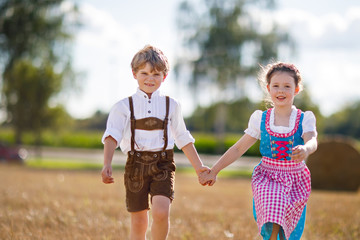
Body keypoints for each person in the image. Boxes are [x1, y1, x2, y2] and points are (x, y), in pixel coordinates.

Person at [101, 45, 209, 240]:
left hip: (163, 164)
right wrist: (106, 163)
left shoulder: (172, 105)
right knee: (139, 221)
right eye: (144, 73)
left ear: (164, 77)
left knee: (161, 212)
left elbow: (183, 137)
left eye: (156, 74)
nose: (150, 79)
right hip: (135, 166)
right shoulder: (123, 106)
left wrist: (199, 167)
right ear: (134, 73)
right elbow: (112, 136)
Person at [200, 62, 318, 240]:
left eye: (287, 86)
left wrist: (305, 149)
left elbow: (312, 140)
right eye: (276, 86)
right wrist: (214, 170)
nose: (281, 91)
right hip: (268, 176)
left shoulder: (304, 119)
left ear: (296, 89)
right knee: (274, 209)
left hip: (295, 178)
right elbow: (238, 148)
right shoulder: (261, 119)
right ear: (269, 88)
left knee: (290, 231)